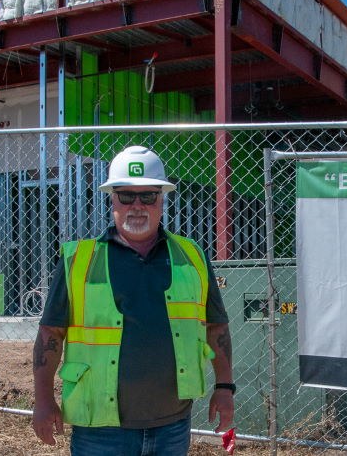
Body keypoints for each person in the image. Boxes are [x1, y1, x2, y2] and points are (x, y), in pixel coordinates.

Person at [32, 145, 234, 455]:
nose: (136, 205)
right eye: (126, 196)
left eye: (148, 196)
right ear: (112, 199)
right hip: (99, 429)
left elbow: (217, 326)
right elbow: (51, 334)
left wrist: (224, 387)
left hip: (172, 424)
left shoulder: (192, 256)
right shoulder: (79, 261)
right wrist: (44, 400)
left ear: (161, 199)